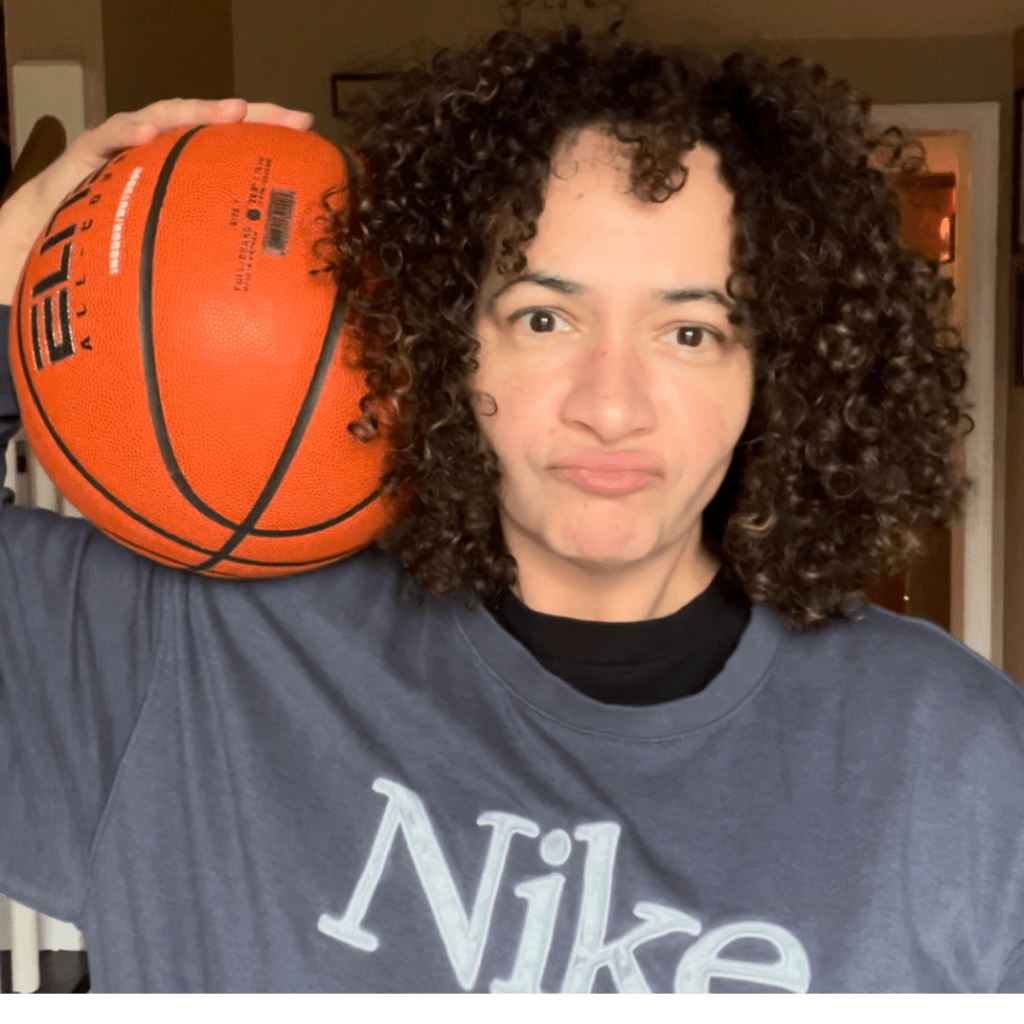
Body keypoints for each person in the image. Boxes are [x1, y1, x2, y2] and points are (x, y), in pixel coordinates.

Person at [1, 27, 1022, 994]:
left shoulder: (954, 754)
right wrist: (12, 260)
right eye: (543, 318)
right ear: (443, 343)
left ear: (777, 373)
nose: (611, 407)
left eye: (691, 333)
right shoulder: (187, 650)